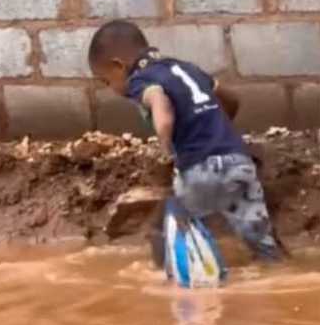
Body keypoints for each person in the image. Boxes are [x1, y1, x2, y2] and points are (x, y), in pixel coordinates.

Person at [87, 19, 283, 263]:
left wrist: (166, 146)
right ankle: (275, 265)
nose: (112, 88)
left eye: (106, 81)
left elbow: (160, 104)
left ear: (118, 66)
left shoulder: (140, 80)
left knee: (164, 231)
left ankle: (171, 284)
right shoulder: (186, 68)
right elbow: (232, 100)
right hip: (239, 162)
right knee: (263, 244)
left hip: (198, 168)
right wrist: (218, 130)